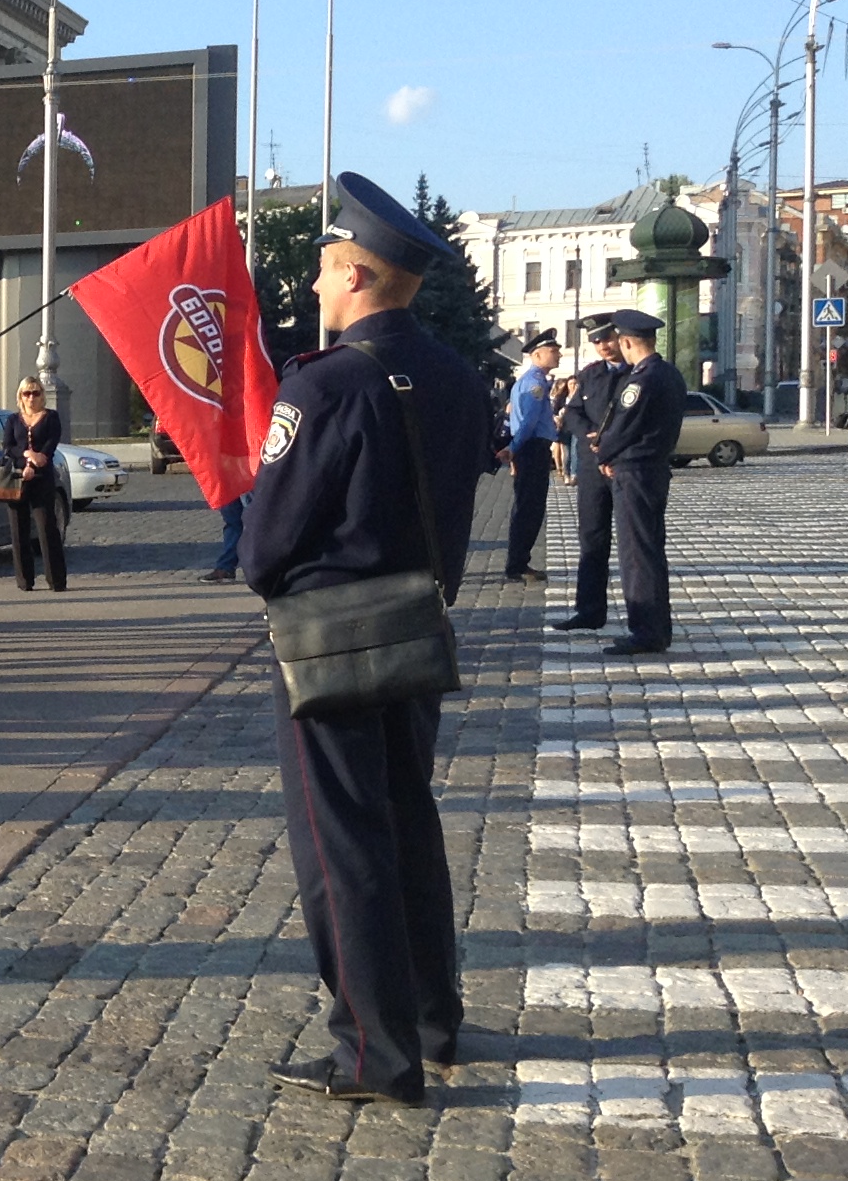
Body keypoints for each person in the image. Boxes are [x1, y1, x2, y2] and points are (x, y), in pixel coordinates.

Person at [244, 173, 494, 1104]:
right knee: (407, 822)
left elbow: (267, 542)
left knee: (340, 841)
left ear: (356, 275)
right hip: (418, 628)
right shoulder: (457, 376)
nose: (311, 288)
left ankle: (372, 1053)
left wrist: (268, 575)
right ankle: (432, 1017)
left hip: (329, 637)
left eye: (321, 272)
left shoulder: (328, 386)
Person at [590, 308, 686, 657]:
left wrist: (601, 453)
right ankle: (657, 627)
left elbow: (625, 427)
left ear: (627, 342)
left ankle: (645, 631)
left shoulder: (641, 379)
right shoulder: (669, 373)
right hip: (653, 470)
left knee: (636, 554)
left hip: (635, 472)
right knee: (649, 550)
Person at [552, 316, 625, 632]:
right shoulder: (589, 375)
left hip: (624, 464)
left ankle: (644, 614)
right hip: (592, 467)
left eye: (607, 338)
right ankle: (589, 610)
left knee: (634, 542)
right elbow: (572, 414)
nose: (603, 346)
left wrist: (609, 441)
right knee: (591, 538)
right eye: (597, 341)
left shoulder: (639, 372)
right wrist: (591, 437)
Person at [501, 331, 560, 581]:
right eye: (553, 350)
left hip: (532, 448)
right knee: (529, 508)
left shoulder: (534, 381)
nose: (558, 354)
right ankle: (517, 564)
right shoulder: (534, 383)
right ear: (537, 355)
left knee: (528, 506)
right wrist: (513, 449)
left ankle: (518, 562)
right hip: (532, 448)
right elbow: (528, 422)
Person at [6, 376, 67, 592]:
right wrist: (25, 456)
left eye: (35, 393)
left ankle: (56, 579)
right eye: (26, 393)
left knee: (47, 528)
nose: (31, 397)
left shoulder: (51, 417)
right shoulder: (13, 420)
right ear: (20, 397)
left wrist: (35, 461)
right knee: (18, 530)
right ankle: (24, 580)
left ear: (42, 395)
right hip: (18, 479)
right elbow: (8, 447)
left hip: (42, 479)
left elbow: (50, 446)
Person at [202, 496, 246, 584]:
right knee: (232, 521)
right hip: (229, 485)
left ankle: (265, 567)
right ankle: (226, 568)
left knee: (256, 520)